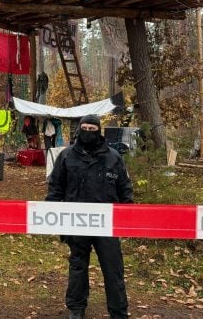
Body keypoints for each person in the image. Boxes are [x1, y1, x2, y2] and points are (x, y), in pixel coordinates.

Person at [45, 114, 133, 319]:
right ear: (79, 129)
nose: (88, 132)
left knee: (113, 269)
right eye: (84, 128)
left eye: (92, 129)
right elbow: (56, 187)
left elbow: (125, 190)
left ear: (99, 131)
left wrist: (128, 218)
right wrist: (52, 215)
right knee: (77, 267)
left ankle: (118, 311)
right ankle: (76, 308)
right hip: (76, 222)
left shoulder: (113, 157)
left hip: (107, 225)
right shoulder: (67, 156)